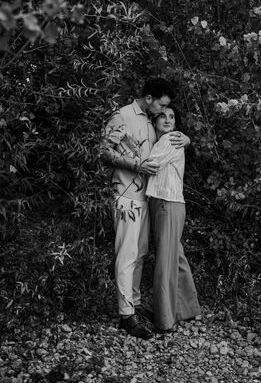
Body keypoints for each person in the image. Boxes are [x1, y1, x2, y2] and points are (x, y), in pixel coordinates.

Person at [100, 78, 189, 339]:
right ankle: (126, 317)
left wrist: (186, 138)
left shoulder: (151, 121)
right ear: (148, 98)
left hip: (146, 198)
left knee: (139, 253)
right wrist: (135, 166)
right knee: (127, 255)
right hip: (126, 195)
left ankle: (134, 306)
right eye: (161, 104)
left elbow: (169, 140)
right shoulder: (123, 116)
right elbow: (104, 152)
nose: (162, 111)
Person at [146, 105, 201, 332]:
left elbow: (149, 163)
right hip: (169, 203)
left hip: (167, 203)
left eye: (171, 117)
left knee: (165, 262)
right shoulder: (166, 141)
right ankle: (187, 310)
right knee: (175, 257)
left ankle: (165, 320)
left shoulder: (171, 139)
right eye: (163, 116)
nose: (168, 120)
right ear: (155, 120)